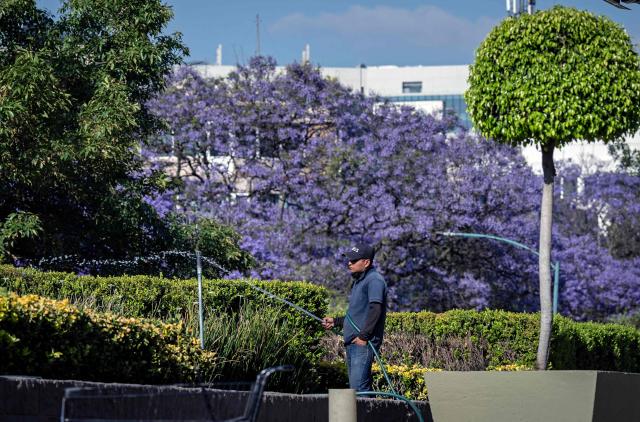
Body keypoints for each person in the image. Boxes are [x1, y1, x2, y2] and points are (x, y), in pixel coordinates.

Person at [322, 242, 388, 392]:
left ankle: (365, 416)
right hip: (354, 343)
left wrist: (364, 337)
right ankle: (368, 415)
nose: (349, 263)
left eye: (353, 260)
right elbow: (357, 314)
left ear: (366, 262)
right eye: (349, 260)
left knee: (359, 389)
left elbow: (375, 309)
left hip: (362, 344)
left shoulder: (374, 280)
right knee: (358, 388)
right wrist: (336, 321)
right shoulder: (359, 282)